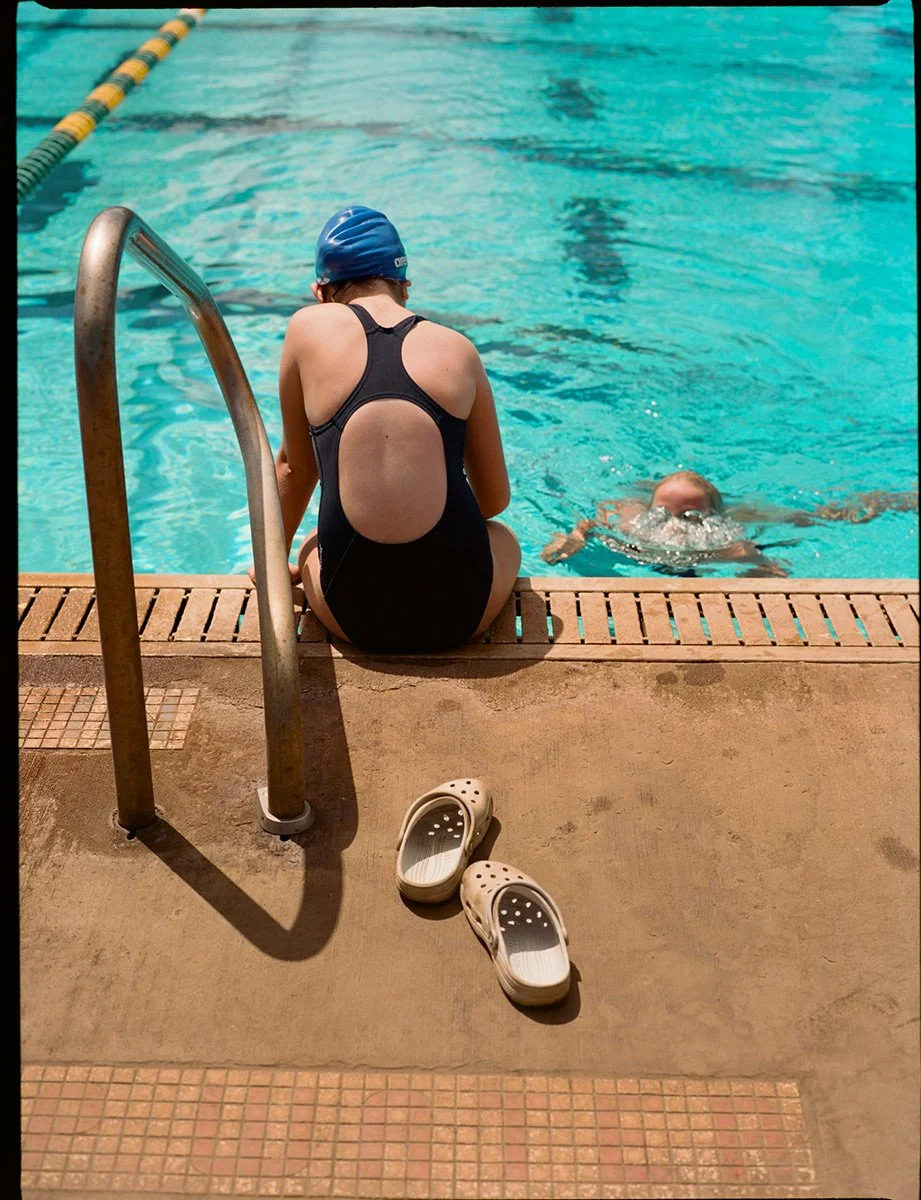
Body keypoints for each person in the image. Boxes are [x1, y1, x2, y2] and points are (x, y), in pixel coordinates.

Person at [255, 205, 521, 652]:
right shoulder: (458, 349)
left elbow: (296, 470)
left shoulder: (307, 327)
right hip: (461, 613)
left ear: (320, 292)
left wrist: (269, 565)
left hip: (355, 617)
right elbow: (494, 501)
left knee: (312, 543)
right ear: (405, 287)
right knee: (503, 537)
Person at [541, 469, 918, 577]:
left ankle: (896, 500)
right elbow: (590, 522)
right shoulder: (628, 520)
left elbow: (767, 563)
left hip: (743, 513)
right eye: (664, 512)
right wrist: (572, 539)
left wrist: (764, 573)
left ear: (713, 519)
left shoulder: (727, 540)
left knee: (813, 519)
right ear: (648, 507)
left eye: (691, 516)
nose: (674, 524)